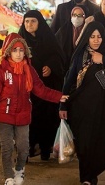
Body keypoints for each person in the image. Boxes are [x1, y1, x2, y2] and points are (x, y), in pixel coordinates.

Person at [0, 33, 68, 185]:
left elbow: (41, 89)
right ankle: (8, 177)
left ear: (25, 51)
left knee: (23, 147)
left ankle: (19, 170)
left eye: (21, 50)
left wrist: (58, 96)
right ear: (8, 52)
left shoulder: (29, 71)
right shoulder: (0, 71)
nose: (18, 54)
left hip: (23, 115)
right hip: (3, 115)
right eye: (14, 50)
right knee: (6, 147)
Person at [59, 21, 105, 185]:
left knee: (102, 145)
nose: (96, 40)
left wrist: (104, 60)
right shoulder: (80, 55)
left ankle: (92, 174)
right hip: (81, 109)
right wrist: (62, 104)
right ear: (87, 38)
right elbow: (69, 80)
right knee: (83, 145)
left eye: (99, 37)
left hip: (104, 110)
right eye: (92, 37)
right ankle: (86, 178)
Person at [18, 10, 66, 160]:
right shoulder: (20, 41)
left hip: (45, 87)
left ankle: (46, 148)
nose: (29, 24)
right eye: (26, 21)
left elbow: (58, 56)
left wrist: (50, 66)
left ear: (40, 23)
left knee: (46, 118)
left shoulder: (48, 38)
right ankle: (27, 149)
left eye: (33, 21)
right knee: (27, 119)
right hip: (27, 88)